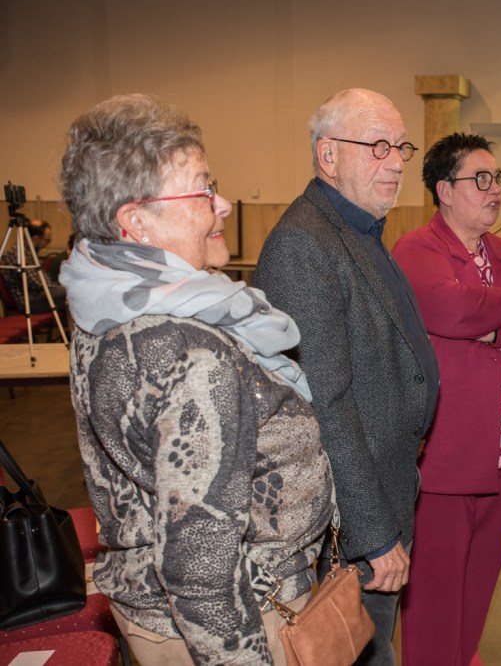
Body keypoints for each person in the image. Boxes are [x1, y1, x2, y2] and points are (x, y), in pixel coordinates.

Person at [57, 94, 336, 665]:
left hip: (158, 606)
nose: (224, 204)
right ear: (136, 221)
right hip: (240, 618)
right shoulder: (190, 354)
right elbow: (201, 565)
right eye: (202, 190)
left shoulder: (103, 299)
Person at [254, 88, 439, 666]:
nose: (397, 161)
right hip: (351, 523)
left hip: (383, 489)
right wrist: (374, 533)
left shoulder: (356, 229)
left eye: (401, 147)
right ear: (328, 155)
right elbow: (324, 404)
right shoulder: (303, 244)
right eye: (378, 146)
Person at [391, 133, 501, 665]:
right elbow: (451, 309)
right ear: (444, 190)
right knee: (434, 600)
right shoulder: (417, 248)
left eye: (498, 179)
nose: (495, 190)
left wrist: (492, 329)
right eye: (481, 179)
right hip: (448, 458)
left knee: (477, 592)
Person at [1, 218, 67, 314]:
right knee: (74, 291)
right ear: (36, 239)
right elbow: (37, 283)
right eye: (47, 240)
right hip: (30, 301)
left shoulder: (29, 252)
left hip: (37, 295)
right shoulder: (19, 254)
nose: (48, 243)